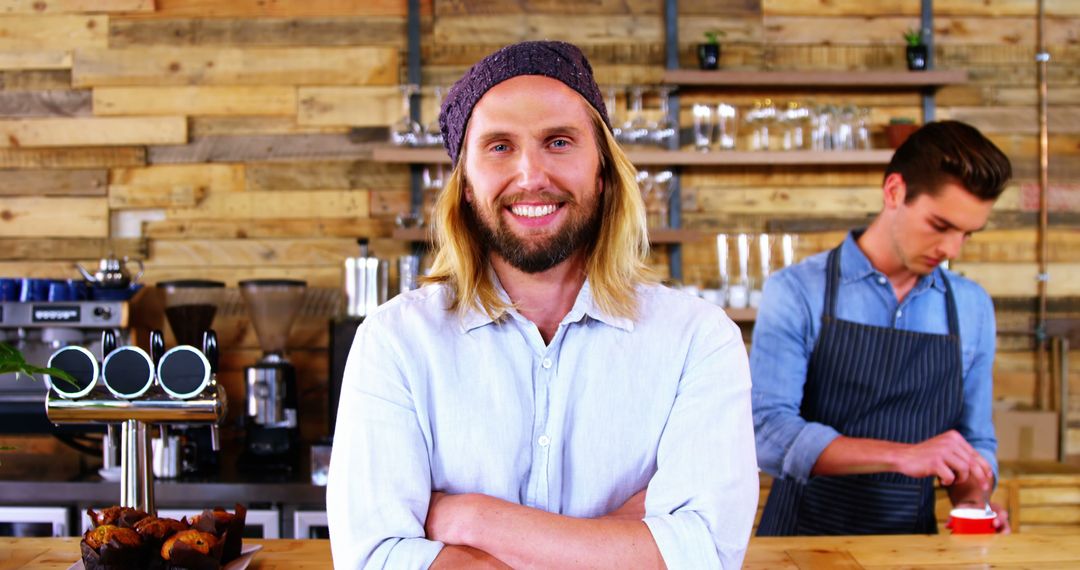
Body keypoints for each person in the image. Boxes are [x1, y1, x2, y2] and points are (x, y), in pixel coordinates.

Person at [327, 40, 757, 568]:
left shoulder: (698, 339)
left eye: (558, 141)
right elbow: (375, 558)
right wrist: (623, 543)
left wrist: (470, 519)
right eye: (500, 146)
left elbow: (705, 551)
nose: (531, 175)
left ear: (602, 171)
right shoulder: (394, 342)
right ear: (464, 183)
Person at [751, 120, 1013, 536]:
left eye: (967, 234)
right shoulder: (798, 291)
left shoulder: (971, 305)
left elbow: (975, 440)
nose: (951, 250)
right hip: (802, 544)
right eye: (940, 225)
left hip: (912, 549)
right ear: (894, 192)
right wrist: (902, 456)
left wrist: (974, 501)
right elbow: (766, 432)